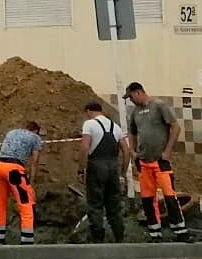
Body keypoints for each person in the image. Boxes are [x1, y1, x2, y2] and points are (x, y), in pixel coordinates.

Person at [124, 82, 191, 242]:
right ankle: (155, 233)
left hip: (160, 162)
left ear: (138, 92)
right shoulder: (135, 113)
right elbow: (132, 133)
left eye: (131, 96)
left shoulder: (159, 106)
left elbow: (175, 127)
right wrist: (133, 152)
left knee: (169, 197)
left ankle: (180, 231)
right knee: (148, 199)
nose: (130, 100)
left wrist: (167, 151)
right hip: (144, 163)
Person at [78, 101, 132, 243]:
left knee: (95, 204)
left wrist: (81, 169)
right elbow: (126, 151)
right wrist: (123, 172)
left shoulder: (89, 124)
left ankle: (98, 240)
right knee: (114, 205)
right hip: (113, 168)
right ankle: (119, 238)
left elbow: (84, 147)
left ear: (89, 111)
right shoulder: (116, 127)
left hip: (96, 166)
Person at [0, 121, 44, 245]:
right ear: (36, 130)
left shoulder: (12, 132)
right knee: (26, 202)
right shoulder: (35, 138)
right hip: (14, 169)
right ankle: (27, 240)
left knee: (0, 202)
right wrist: (31, 180)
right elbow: (35, 161)